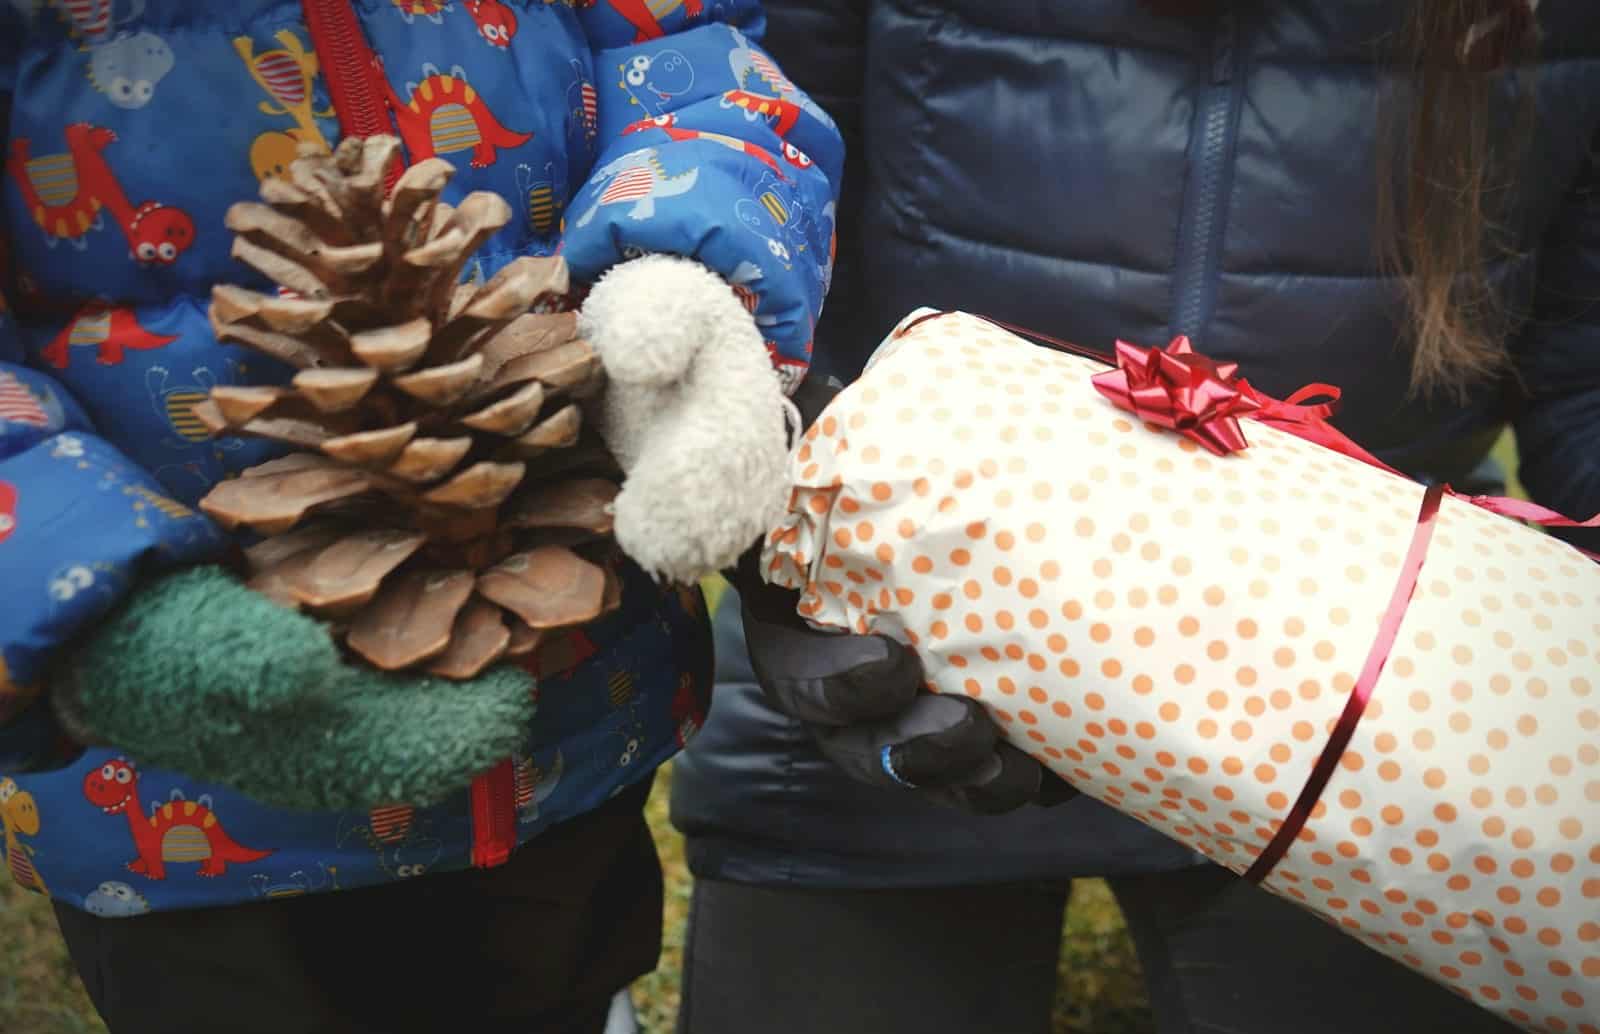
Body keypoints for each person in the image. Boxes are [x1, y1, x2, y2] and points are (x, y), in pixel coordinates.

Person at [670, 0, 1600, 1031]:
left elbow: (1582, 361)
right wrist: (776, 541)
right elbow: (740, 211)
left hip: (1364, 736)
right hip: (897, 669)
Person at [0, 3, 840, 1032]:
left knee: (563, 967)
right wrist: (94, 615)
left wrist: (684, 274)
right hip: (186, 800)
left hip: (572, 689)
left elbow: (686, 52)